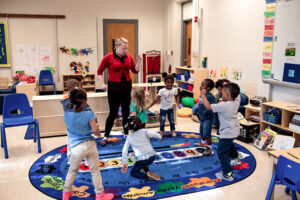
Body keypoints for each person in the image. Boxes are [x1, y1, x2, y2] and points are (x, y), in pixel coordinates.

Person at [62, 89, 114, 200]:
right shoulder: (89, 113)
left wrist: (73, 93)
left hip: (75, 147)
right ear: (85, 102)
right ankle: (99, 195)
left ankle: (66, 193)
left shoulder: (66, 113)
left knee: (72, 171)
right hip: (90, 145)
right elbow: (95, 130)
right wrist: (100, 135)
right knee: (95, 171)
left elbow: (65, 98)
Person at [97, 37, 142, 146]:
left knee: (126, 112)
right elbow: (99, 72)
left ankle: (126, 133)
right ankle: (106, 135)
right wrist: (102, 83)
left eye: (126, 49)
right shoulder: (108, 57)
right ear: (116, 47)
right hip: (113, 88)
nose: (125, 51)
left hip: (126, 87)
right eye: (123, 49)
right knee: (113, 113)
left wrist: (139, 62)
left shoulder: (128, 57)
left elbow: (135, 71)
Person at [200, 83, 241, 181]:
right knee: (229, 145)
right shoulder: (236, 101)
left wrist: (203, 95)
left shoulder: (224, 105)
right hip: (235, 131)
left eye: (222, 93)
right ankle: (235, 159)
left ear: (227, 95)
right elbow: (237, 93)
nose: (221, 94)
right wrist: (228, 86)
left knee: (221, 152)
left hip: (227, 133)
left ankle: (227, 173)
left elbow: (208, 107)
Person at [121, 116, 161, 181]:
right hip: (152, 157)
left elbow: (124, 151)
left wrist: (124, 163)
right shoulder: (145, 131)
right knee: (145, 159)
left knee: (133, 172)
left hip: (142, 159)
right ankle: (146, 169)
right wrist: (160, 137)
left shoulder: (129, 137)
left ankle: (147, 176)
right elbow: (155, 134)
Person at [147, 72, 179, 138]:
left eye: (171, 82)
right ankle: (162, 132)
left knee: (172, 121)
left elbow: (176, 96)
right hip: (163, 109)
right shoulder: (162, 90)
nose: (170, 84)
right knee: (162, 121)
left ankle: (173, 131)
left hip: (170, 109)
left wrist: (178, 104)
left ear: (173, 82)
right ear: (165, 83)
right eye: (168, 82)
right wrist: (150, 105)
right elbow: (156, 99)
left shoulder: (175, 89)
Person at [195, 79, 216, 156]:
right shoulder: (201, 95)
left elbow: (214, 106)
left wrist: (206, 112)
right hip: (202, 118)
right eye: (201, 85)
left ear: (208, 89)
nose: (201, 87)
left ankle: (209, 148)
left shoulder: (210, 96)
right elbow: (201, 104)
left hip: (208, 118)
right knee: (202, 131)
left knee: (207, 133)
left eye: (203, 86)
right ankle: (202, 143)